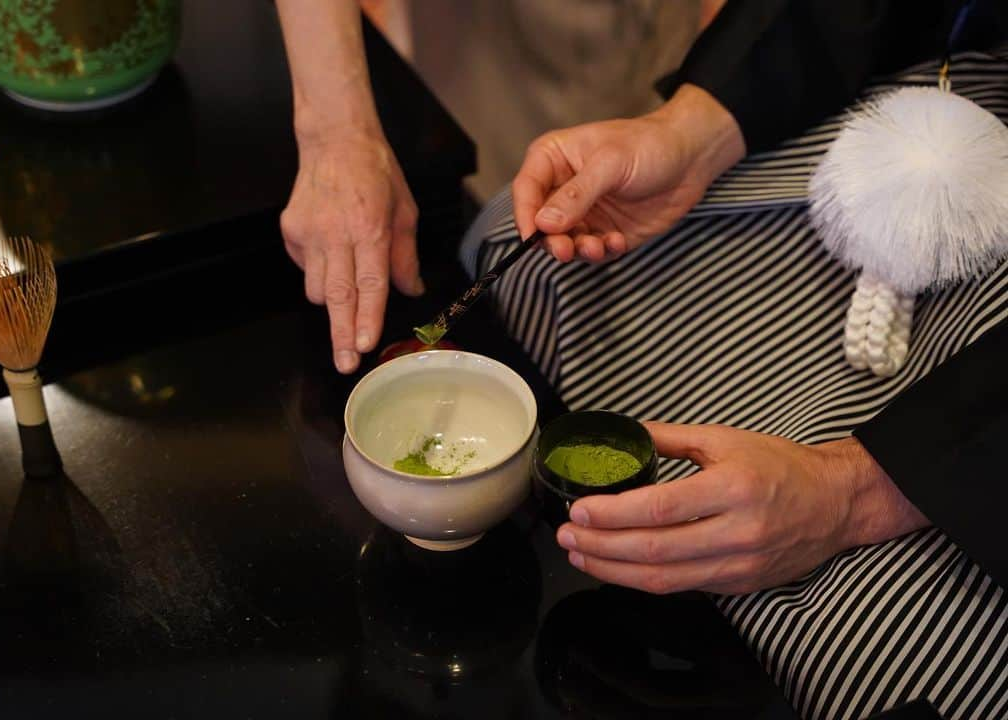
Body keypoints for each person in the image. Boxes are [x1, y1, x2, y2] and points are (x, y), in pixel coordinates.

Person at [459, 1, 1005, 717]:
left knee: (864, 647)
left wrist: (856, 492)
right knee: (528, 254)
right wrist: (690, 129)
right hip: (946, 110)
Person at [272, 0, 708, 374]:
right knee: (493, 170)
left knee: (606, 183)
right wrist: (337, 133)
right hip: (471, 37)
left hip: (633, 56)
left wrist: (698, 117)